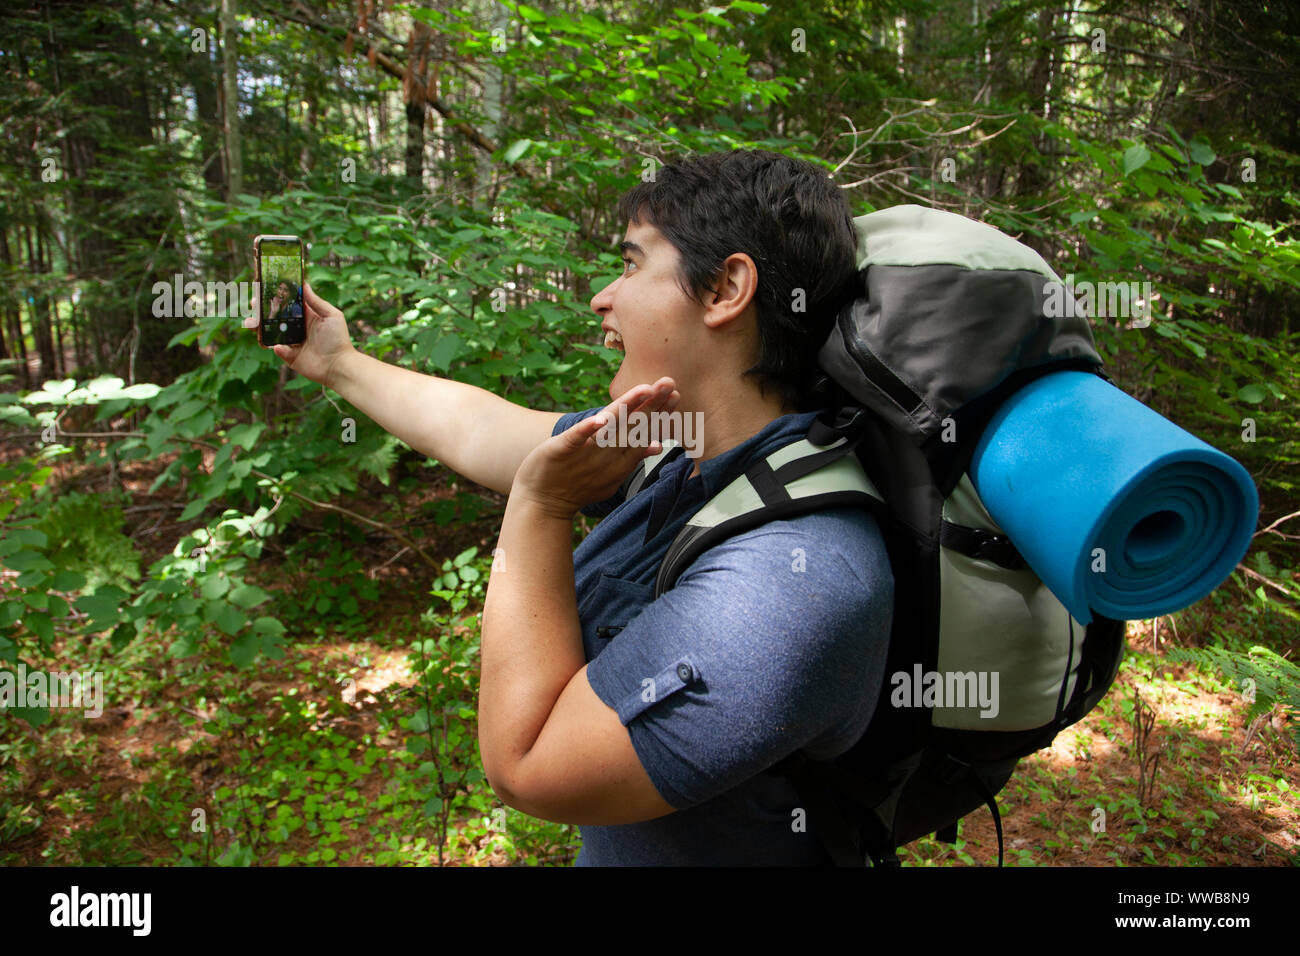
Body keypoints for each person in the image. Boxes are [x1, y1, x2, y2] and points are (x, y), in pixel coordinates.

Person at [245, 149, 894, 865]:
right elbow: (478, 427)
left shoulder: (794, 580)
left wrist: (541, 508)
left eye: (631, 264)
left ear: (725, 289)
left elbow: (527, 768)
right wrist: (336, 361)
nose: (600, 298)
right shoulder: (674, 444)